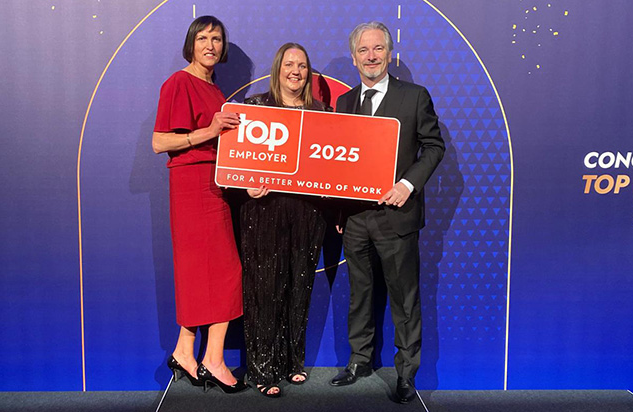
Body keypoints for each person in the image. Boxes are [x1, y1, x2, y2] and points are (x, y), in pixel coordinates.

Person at [329, 22, 445, 404]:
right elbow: (339, 160)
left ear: (390, 54)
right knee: (359, 294)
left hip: (397, 215)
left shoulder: (414, 96)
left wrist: (407, 184)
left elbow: (433, 147)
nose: (371, 56)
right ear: (354, 58)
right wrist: (341, 209)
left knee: (404, 300)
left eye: (378, 48)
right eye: (363, 50)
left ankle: (406, 374)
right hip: (355, 219)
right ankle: (359, 360)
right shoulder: (345, 102)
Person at [152, 15, 247, 394]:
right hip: (192, 186)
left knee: (206, 274)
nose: (210, 45)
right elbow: (160, 142)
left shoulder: (215, 89)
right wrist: (208, 131)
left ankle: (185, 351)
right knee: (223, 272)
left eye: (217, 39)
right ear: (190, 43)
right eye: (203, 38)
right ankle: (214, 360)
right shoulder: (179, 82)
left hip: (216, 185)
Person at [240, 43, 330, 398]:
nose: (296, 71)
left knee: (299, 285)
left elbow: (333, 164)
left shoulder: (322, 112)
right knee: (265, 288)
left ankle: (293, 361)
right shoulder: (255, 107)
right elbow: (235, 161)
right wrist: (246, 186)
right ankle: (263, 368)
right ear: (278, 68)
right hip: (264, 211)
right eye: (290, 64)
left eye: (302, 65)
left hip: (308, 212)